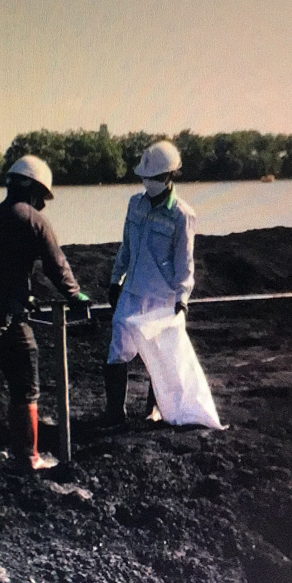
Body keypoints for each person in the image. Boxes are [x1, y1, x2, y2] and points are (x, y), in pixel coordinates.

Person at [0, 155, 90, 469]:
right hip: (5, 317)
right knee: (25, 386)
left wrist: (23, 293)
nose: (42, 204)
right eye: (42, 196)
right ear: (33, 190)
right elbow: (56, 267)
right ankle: (30, 457)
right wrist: (75, 296)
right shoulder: (34, 221)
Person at [104, 140, 196, 428]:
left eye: (154, 177)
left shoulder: (182, 215)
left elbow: (184, 263)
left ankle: (153, 410)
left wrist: (182, 299)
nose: (148, 182)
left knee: (159, 355)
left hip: (161, 298)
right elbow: (126, 246)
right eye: (145, 177)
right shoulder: (135, 204)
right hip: (132, 292)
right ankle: (114, 412)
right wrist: (115, 279)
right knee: (117, 350)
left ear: (169, 175)